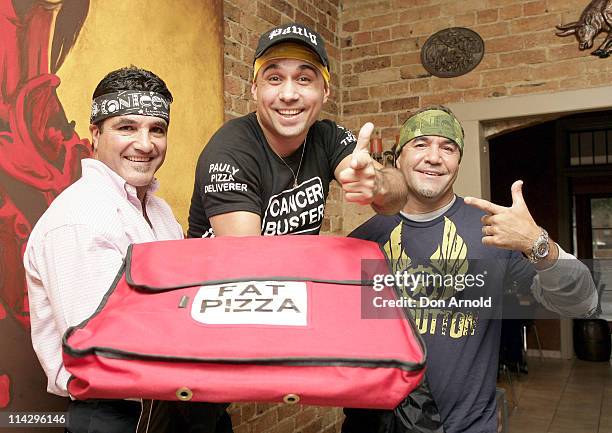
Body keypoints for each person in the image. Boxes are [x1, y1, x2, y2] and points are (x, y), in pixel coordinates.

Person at [343, 106, 598, 433]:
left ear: (458, 163)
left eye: (447, 148)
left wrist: (538, 243)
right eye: (420, 144)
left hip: (465, 426)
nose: (434, 157)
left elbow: (583, 302)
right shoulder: (365, 239)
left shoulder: (493, 234)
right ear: (399, 156)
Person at [24, 67, 224, 433]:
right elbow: (101, 351)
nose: (145, 144)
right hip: (117, 414)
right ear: (95, 134)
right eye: (127, 127)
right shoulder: (81, 218)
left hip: (175, 400)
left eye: (156, 129)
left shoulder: (158, 210)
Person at [188, 22, 407, 238]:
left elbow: (399, 195)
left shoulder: (327, 136)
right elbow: (248, 265)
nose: (289, 94)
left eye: (304, 79)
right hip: (228, 272)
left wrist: (378, 184)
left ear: (325, 91)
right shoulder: (230, 151)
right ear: (255, 89)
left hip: (289, 272)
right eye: (274, 78)